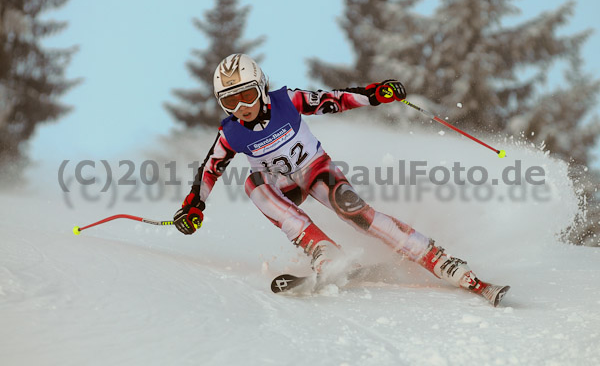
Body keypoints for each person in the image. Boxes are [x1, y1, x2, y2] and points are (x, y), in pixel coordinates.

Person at [173, 53, 508, 306]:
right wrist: (194, 206)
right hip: (281, 187)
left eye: (246, 95)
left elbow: (333, 100)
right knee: (253, 184)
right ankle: (322, 250)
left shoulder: (286, 102)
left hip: (316, 171)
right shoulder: (230, 132)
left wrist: (375, 94)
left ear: (261, 87)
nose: (241, 107)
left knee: (354, 211)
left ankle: (441, 260)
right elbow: (210, 168)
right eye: (230, 101)